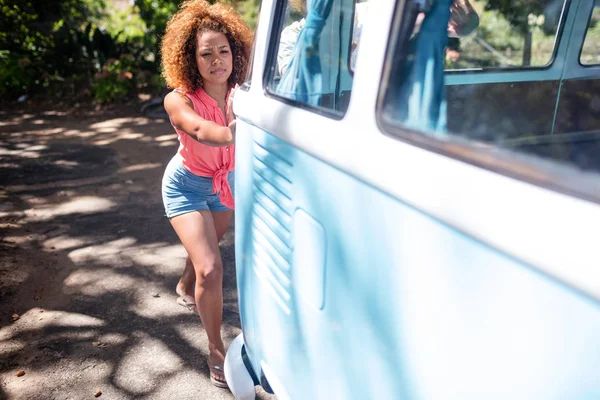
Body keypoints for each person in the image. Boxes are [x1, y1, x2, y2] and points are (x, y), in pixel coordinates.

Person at [159, 0, 252, 389]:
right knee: (212, 268)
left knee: (207, 249)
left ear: (235, 53)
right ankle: (215, 349)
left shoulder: (244, 92)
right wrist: (232, 129)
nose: (217, 60)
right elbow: (198, 130)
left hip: (225, 184)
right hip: (185, 187)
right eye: (206, 53)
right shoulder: (177, 98)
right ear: (189, 59)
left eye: (224, 51)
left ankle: (185, 283)